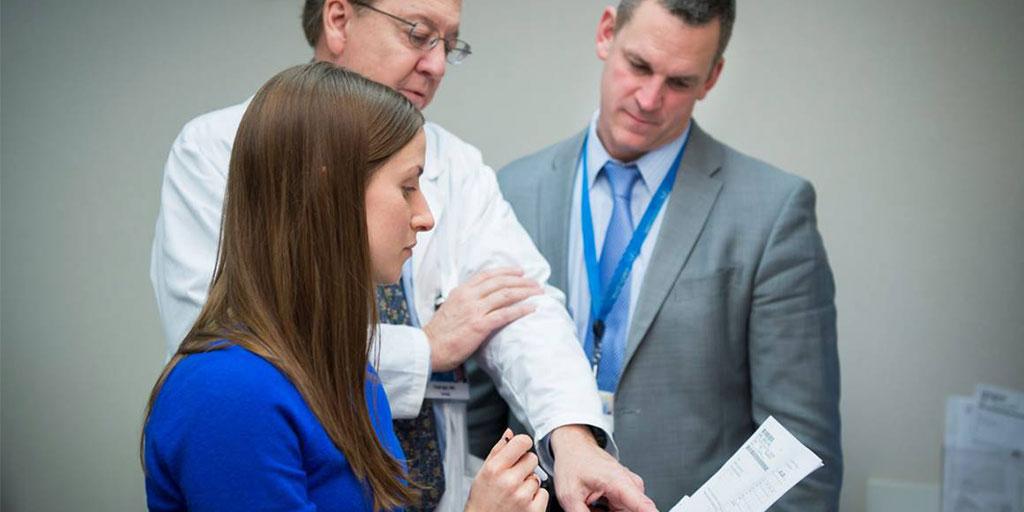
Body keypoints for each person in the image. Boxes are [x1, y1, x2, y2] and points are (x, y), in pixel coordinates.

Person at [149, 1, 654, 511]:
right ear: (339, 18)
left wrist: (572, 441)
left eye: (449, 44)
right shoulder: (228, 391)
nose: (436, 64)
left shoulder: (364, 387)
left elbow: (524, 305)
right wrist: (425, 350)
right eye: (418, 34)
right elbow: (235, 334)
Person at [470, 0, 843, 509]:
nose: (649, 99)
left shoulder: (772, 212)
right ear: (606, 34)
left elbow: (800, 447)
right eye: (639, 66)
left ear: (711, 79)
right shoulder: (512, 191)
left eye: (680, 82)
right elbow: (476, 413)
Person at [143, 62, 549, 512]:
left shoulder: (353, 376)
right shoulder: (227, 394)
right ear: (329, 190)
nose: (426, 215)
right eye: (408, 187)